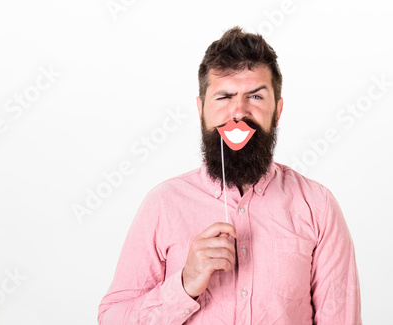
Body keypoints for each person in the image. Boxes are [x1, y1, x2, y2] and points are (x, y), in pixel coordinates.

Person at [98, 26, 361, 324]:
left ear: (277, 111)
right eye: (224, 97)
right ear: (201, 110)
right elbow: (112, 318)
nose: (238, 112)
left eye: (256, 97)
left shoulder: (318, 207)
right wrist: (185, 284)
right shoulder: (162, 204)